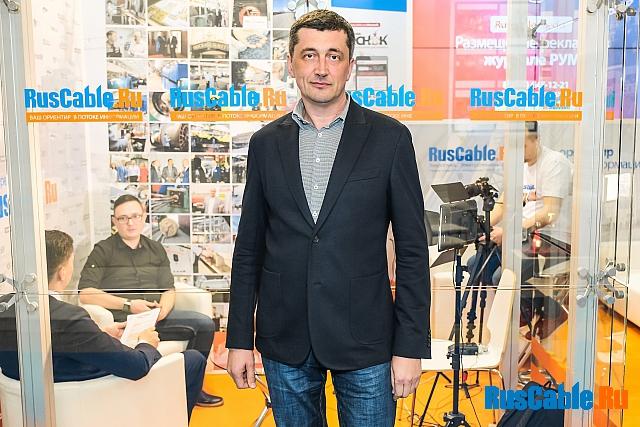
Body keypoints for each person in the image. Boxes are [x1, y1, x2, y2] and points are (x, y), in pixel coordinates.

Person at [226, 10, 430, 427]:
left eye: (333, 56)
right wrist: (239, 339)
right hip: (285, 340)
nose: (321, 68)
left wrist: (410, 346)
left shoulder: (390, 138)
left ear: (350, 66)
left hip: (366, 341)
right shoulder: (264, 144)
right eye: (310, 55)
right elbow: (248, 249)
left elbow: (412, 250)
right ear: (291, 63)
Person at [0, 230, 207, 420]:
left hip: (43, 395)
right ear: (62, 273)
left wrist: (100, 333)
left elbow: (54, 343)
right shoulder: (69, 318)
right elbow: (136, 367)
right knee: (194, 360)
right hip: (93, 394)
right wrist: (146, 343)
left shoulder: (6, 306)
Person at [78, 195, 223, 407]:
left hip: (156, 319)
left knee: (205, 324)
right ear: (114, 221)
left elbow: (168, 289)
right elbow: (85, 293)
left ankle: (191, 386)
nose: (130, 222)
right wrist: (128, 305)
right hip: (123, 322)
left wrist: (163, 310)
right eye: (123, 218)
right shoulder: (103, 250)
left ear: (144, 216)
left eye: (135, 216)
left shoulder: (156, 248)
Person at [471, 121, 573, 339]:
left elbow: (549, 213)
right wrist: (481, 227)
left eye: (523, 145)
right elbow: (503, 206)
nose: (518, 152)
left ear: (537, 140)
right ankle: (532, 310)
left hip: (554, 239)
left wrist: (509, 234)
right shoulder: (520, 167)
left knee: (501, 276)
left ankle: (546, 312)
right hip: (525, 236)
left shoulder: (554, 163)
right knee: (475, 265)